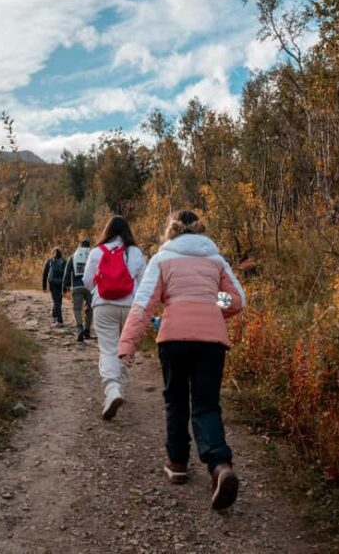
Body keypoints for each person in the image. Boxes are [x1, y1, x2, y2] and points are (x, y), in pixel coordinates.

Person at [117, 210, 246, 511]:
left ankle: (177, 464)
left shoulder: (162, 259)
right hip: (211, 340)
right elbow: (236, 299)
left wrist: (128, 343)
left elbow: (144, 304)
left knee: (176, 399)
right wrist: (212, 307)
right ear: (200, 230)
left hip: (173, 337)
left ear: (170, 230)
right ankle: (219, 466)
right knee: (206, 403)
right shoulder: (215, 259)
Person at [82, 216, 146, 420]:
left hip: (104, 305)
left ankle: (112, 389)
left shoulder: (96, 252)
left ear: (107, 231)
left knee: (108, 348)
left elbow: (87, 281)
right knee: (124, 348)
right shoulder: (135, 252)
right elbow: (144, 283)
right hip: (130, 307)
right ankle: (121, 388)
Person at [62, 239, 94, 342]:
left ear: (79, 246)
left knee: (77, 309)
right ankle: (87, 330)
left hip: (77, 287)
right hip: (90, 287)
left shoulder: (73, 257)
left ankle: (80, 328)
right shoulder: (93, 255)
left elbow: (67, 273)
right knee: (90, 309)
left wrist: (65, 286)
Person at [41, 247, 66, 325]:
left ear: (53, 253)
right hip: (61, 283)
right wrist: (67, 285)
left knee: (56, 301)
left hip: (53, 283)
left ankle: (59, 320)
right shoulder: (65, 261)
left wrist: (44, 286)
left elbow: (44, 274)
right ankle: (55, 317)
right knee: (58, 301)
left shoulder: (49, 261)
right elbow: (67, 274)